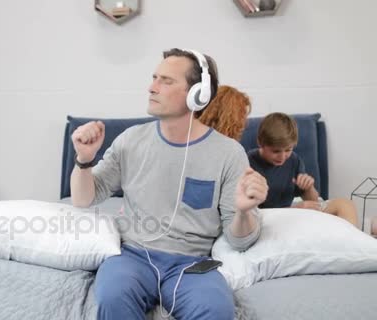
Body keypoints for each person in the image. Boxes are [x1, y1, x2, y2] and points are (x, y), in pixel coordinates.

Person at [70, 48, 268, 320]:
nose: (152, 88)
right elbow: (83, 199)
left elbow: (239, 239)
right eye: (154, 78)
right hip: (132, 257)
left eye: (166, 81)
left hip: (193, 265)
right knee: (112, 297)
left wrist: (244, 211)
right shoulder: (130, 140)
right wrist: (84, 160)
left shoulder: (228, 153)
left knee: (217, 310)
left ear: (198, 94)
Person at [247, 112, 357, 226]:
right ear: (260, 143)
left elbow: (313, 201)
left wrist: (308, 188)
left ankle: (352, 242)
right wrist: (293, 210)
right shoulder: (248, 163)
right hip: (267, 219)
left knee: (345, 205)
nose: (282, 157)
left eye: (288, 150)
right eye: (276, 151)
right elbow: (249, 212)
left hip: (295, 212)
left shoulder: (294, 159)